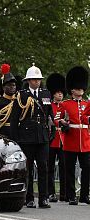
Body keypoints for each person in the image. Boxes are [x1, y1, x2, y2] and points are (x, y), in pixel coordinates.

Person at [10, 63, 53, 209]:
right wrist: (15, 139)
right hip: (26, 137)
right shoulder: (21, 95)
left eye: (39, 79)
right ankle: (28, 198)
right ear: (28, 80)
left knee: (43, 167)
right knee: (28, 169)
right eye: (34, 79)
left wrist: (50, 134)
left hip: (42, 136)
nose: (37, 82)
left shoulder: (46, 94)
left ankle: (43, 198)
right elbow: (14, 119)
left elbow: (49, 116)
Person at [58, 66, 90, 205]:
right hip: (70, 140)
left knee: (87, 169)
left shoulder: (86, 103)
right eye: (78, 88)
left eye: (82, 88)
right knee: (69, 170)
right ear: (72, 90)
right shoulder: (65, 104)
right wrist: (62, 122)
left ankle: (84, 195)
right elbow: (57, 118)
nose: (80, 90)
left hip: (85, 141)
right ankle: (71, 196)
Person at [45, 73, 66, 203]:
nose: (60, 95)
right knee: (50, 168)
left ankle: (63, 194)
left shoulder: (65, 106)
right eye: (57, 93)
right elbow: (49, 121)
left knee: (64, 167)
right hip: (51, 139)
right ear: (53, 94)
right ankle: (51, 192)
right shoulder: (49, 106)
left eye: (61, 93)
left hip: (63, 139)